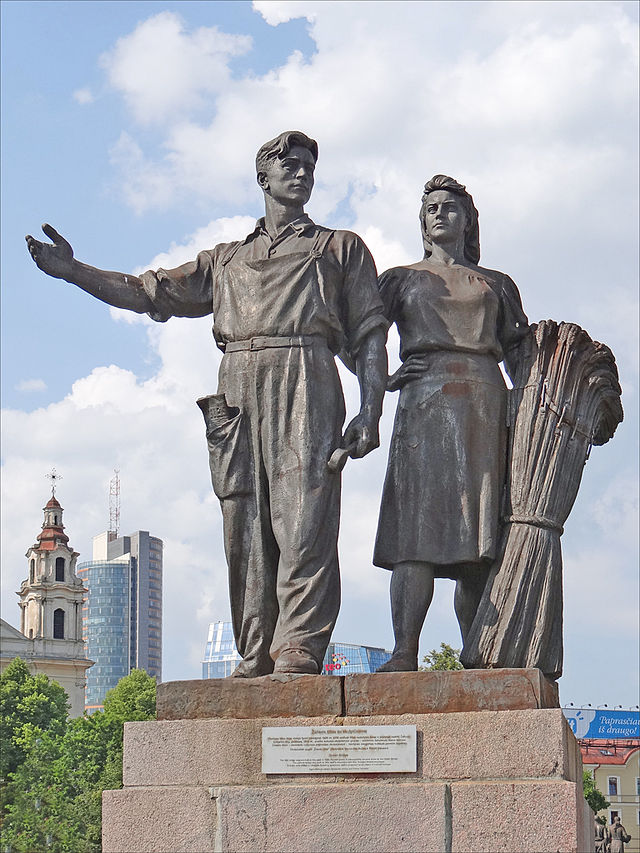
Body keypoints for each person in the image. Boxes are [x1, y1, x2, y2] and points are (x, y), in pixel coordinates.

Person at [26, 130, 388, 677]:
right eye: (289, 164)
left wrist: (371, 408)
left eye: (309, 166)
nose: (302, 173)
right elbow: (148, 291)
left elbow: (369, 334)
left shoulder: (341, 248)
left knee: (305, 516)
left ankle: (298, 644)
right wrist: (75, 272)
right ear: (263, 177)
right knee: (243, 523)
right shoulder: (226, 261)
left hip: (306, 376)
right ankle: (255, 647)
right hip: (238, 383)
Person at [373, 174, 529, 671]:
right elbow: (358, 334)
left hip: (485, 405)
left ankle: (478, 652)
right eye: (431, 208)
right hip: (423, 402)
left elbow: (522, 355)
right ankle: (404, 650)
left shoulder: (496, 284)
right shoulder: (400, 279)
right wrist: (385, 379)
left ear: (468, 220)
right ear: (422, 222)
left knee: (478, 543)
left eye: (450, 207)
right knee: (413, 535)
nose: (440, 214)